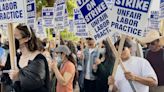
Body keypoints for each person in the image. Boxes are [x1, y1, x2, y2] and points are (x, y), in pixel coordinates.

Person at [9, 24, 50, 92]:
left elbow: (35, 82)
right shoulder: (17, 57)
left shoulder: (39, 58)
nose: (12, 39)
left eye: (15, 36)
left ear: (26, 38)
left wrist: (19, 76)